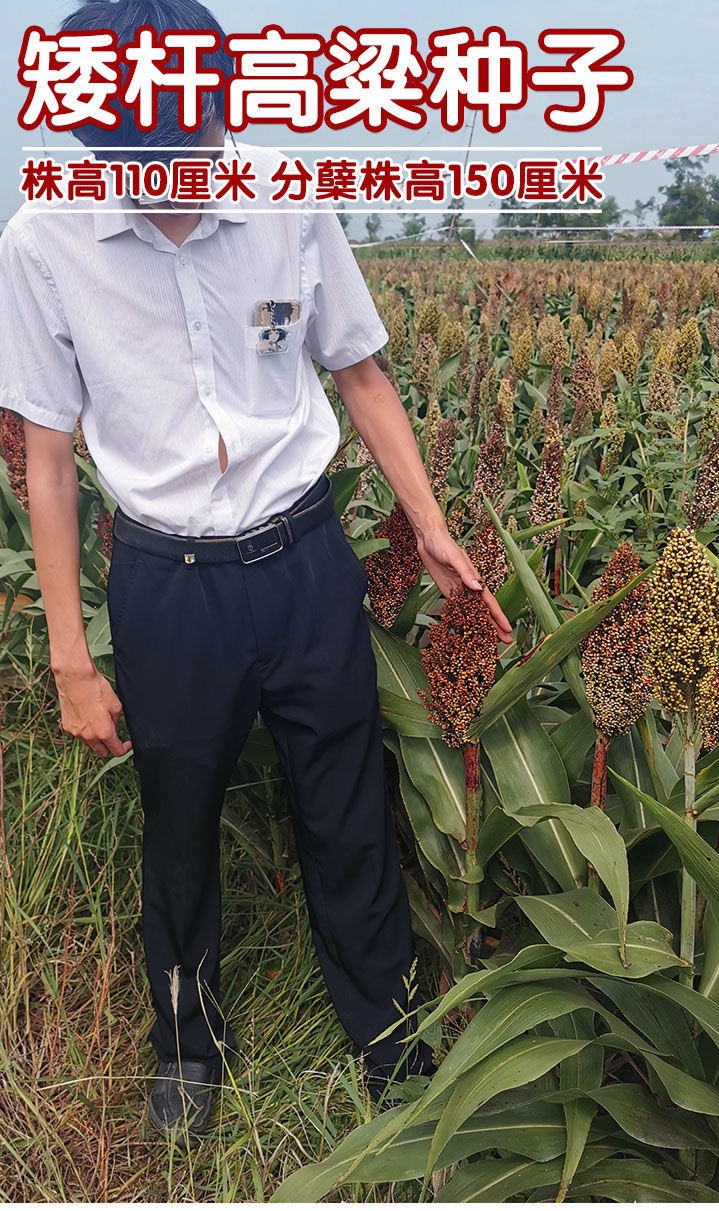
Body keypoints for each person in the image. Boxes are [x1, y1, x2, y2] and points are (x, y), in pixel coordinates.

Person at [1, 0, 513, 1146]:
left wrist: (427, 521)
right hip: (168, 580)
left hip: (304, 556)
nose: (170, 182)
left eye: (190, 149)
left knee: (346, 802)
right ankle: (188, 1042)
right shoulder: (44, 241)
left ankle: (386, 1034)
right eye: (136, 158)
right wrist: (72, 656)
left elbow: (359, 371)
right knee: (176, 815)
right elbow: (43, 454)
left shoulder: (287, 192)